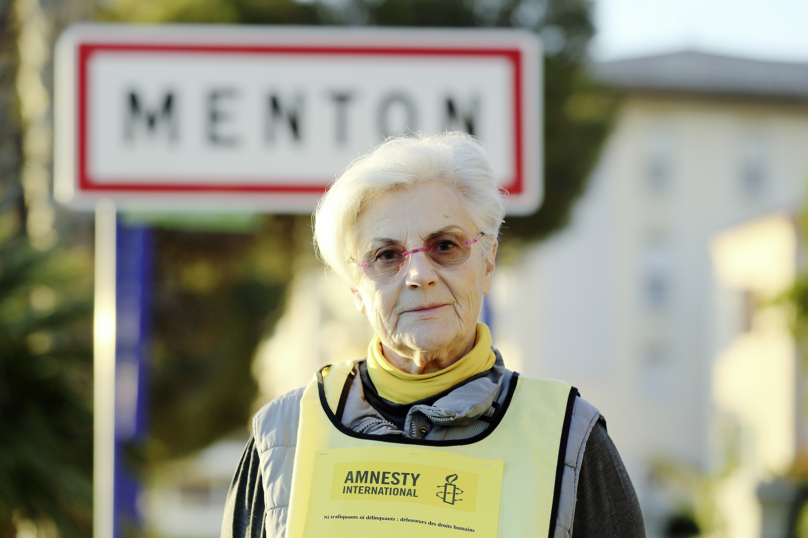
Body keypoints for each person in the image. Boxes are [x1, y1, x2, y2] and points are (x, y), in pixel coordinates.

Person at [221, 132, 645, 538]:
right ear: (356, 288)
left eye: (445, 246)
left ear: (488, 260)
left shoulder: (570, 438)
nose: (419, 275)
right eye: (387, 255)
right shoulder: (282, 436)